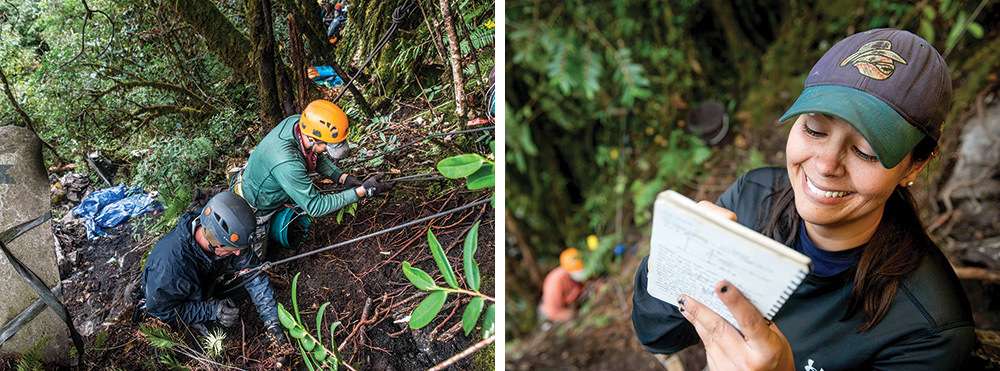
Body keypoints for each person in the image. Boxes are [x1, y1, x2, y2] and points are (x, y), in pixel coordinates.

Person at [632, 28, 975, 370]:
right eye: (814, 129)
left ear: (915, 165)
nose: (826, 165)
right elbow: (658, 335)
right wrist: (675, 255)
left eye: (866, 151)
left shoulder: (928, 330)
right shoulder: (754, 198)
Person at [231, 99, 394, 256]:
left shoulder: (299, 124)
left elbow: (314, 156)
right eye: (327, 146)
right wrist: (361, 191)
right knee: (252, 261)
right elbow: (315, 207)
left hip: (269, 184)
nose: (325, 150)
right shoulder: (287, 162)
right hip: (254, 208)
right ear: (312, 138)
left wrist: (342, 177)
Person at [141, 192, 286, 345]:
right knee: (219, 337)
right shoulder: (170, 270)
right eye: (234, 249)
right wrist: (211, 310)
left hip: (207, 279)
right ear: (213, 241)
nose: (238, 253)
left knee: (244, 287)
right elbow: (162, 311)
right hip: (173, 298)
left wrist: (272, 321)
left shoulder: (224, 233)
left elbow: (253, 275)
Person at [539, 248, 587, 322]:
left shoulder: (579, 268)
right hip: (551, 311)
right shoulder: (556, 282)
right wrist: (577, 315)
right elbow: (552, 311)